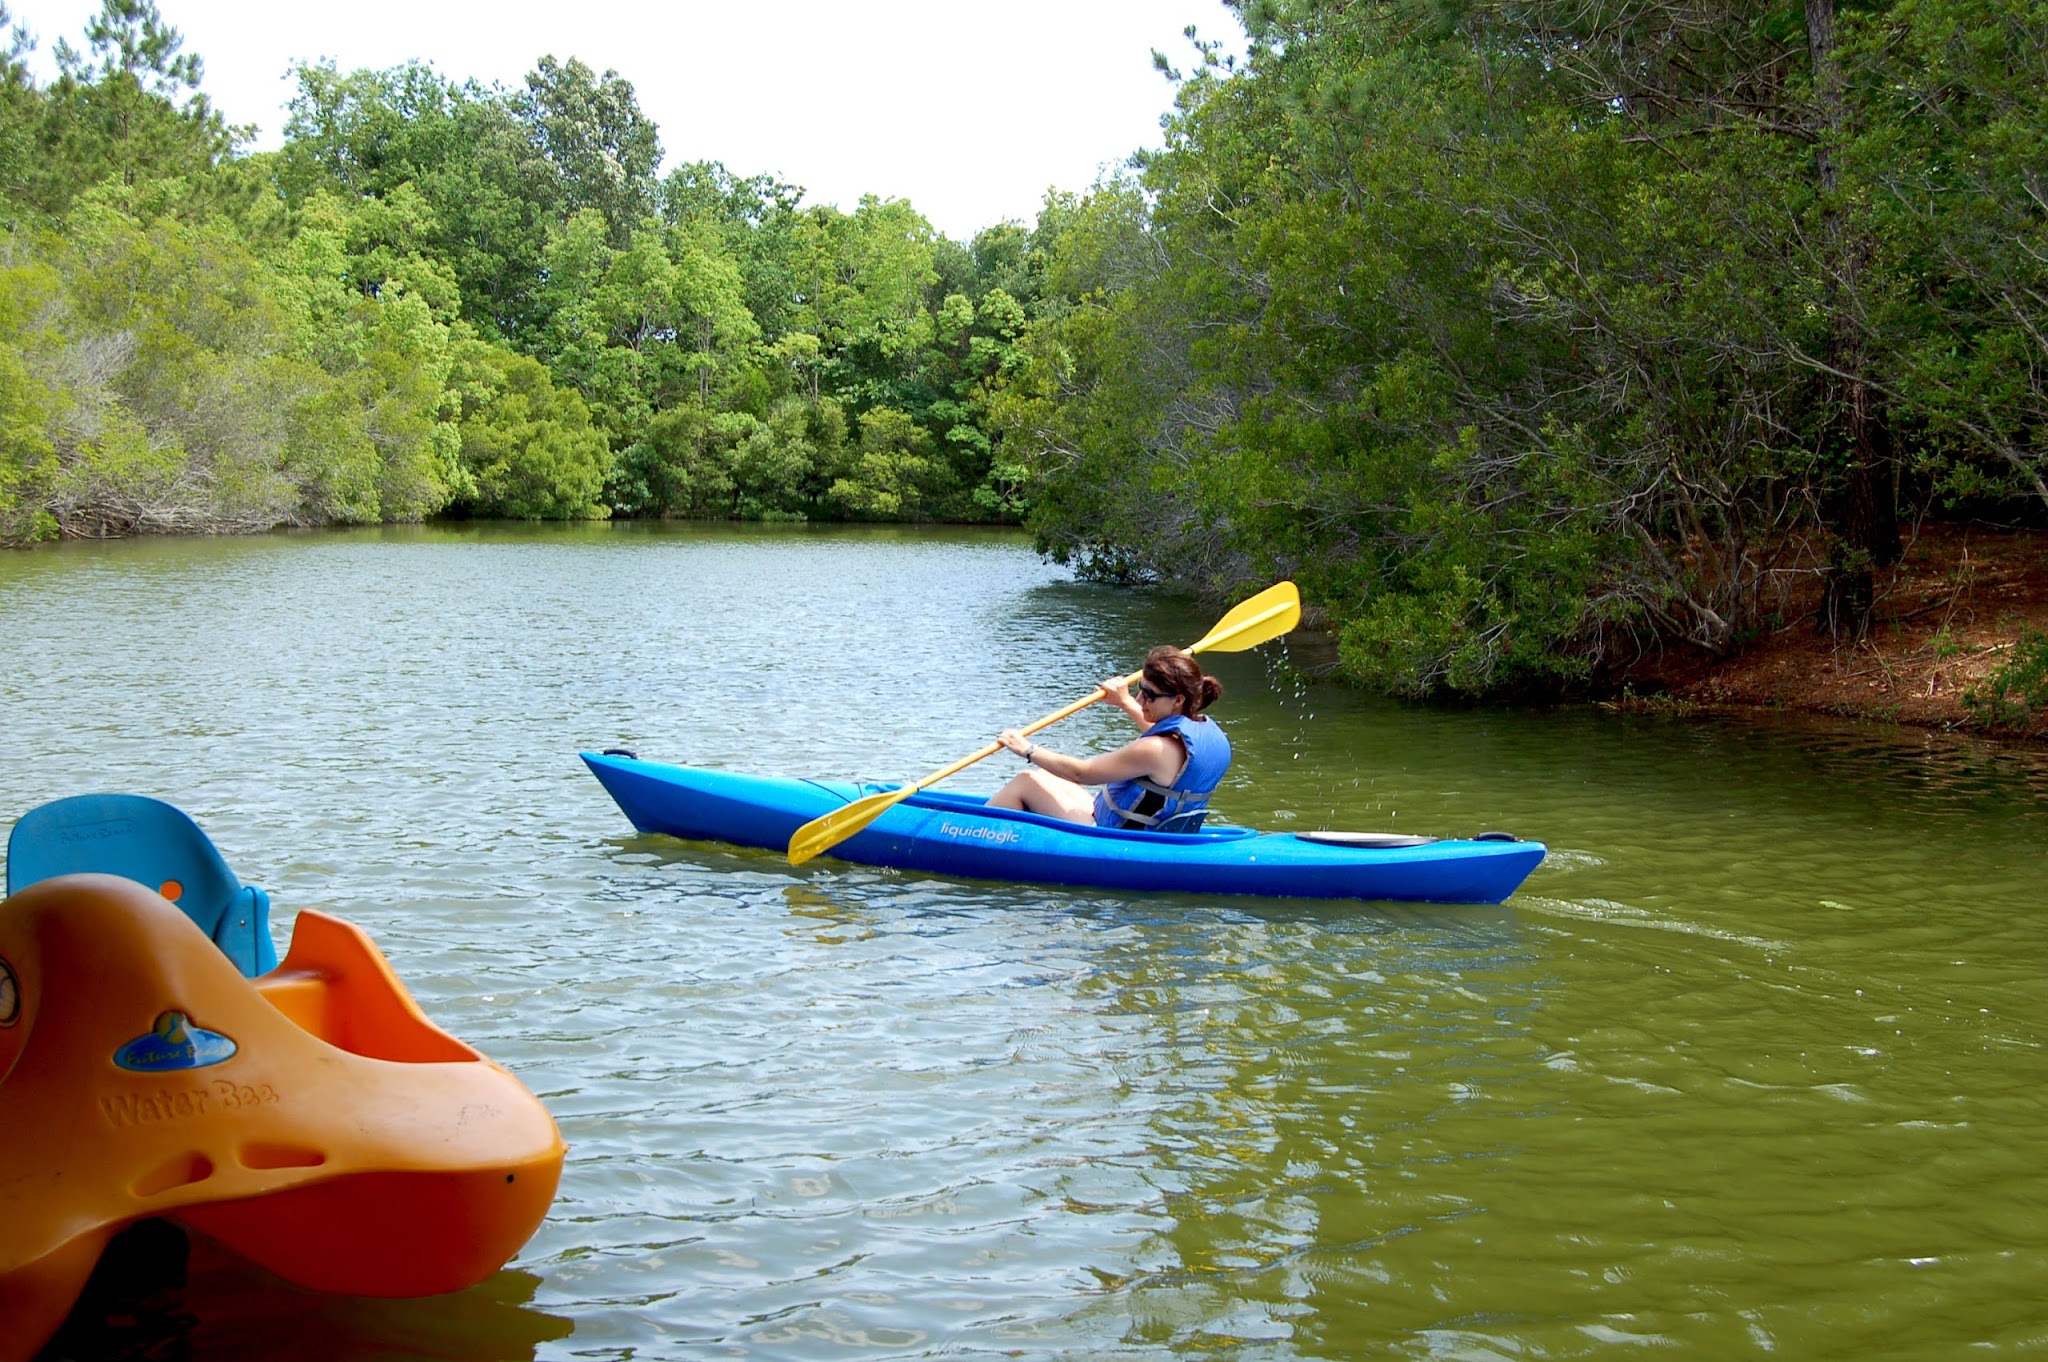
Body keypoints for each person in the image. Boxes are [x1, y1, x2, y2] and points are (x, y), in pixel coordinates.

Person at [991, 645, 1231, 830]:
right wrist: (1124, 702)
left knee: (1026, 780)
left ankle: (980, 840)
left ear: (1178, 699)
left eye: (1149, 695)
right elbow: (1158, 733)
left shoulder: (1154, 750)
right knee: (1043, 775)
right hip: (1150, 832)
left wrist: (1027, 749)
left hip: (1112, 834)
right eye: (1140, 689)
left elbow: (1082, 773)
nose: (1139, 699)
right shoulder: (1206, 733)